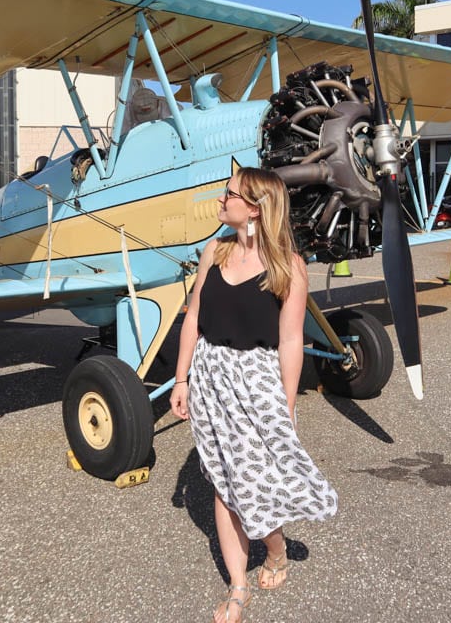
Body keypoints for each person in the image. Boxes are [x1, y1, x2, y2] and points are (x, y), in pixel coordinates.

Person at [170, 167, 337, 623]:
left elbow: (289, 343)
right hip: (210, 378)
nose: (221, 201)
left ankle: (276, 550)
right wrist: (181, 379)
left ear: (255, 210)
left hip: (257, 382)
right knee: (225, 485)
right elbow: (193, 319)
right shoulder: (214, 250)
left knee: (251, 485)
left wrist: (286, 406)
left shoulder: (289, 268)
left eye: (229, 195)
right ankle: (238, 586)